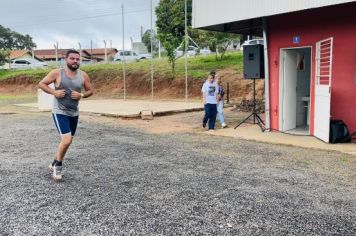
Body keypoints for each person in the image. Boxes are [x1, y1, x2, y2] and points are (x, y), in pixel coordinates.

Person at [38, 49, 93, 181]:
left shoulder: (83, 75)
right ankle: (58, 166)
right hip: (59, 111)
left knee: (68, 141)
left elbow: (90, 90)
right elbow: (41, 84)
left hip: (74, 112)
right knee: (67, 140)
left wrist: (82, 95)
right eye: (72, 58)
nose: (75, 61)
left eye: (77, 59)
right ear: (66, 60)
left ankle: (53, 162)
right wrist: (54, 92)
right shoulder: (57, 73)